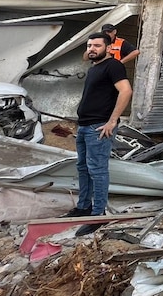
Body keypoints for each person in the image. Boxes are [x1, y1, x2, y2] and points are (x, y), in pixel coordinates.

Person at [62, 33, 133, 236]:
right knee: (83, 167)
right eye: (89, 45)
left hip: (100, 127)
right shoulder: (96, 67)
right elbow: (88, 55)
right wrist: (91, 50)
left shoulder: (113, 66)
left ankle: (98, 214)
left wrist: (112, 121)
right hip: (85, 125)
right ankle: (84, 207)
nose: (92, 49)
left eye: (97, 45)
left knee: (97, 170)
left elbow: (126, 91)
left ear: (109, 48)